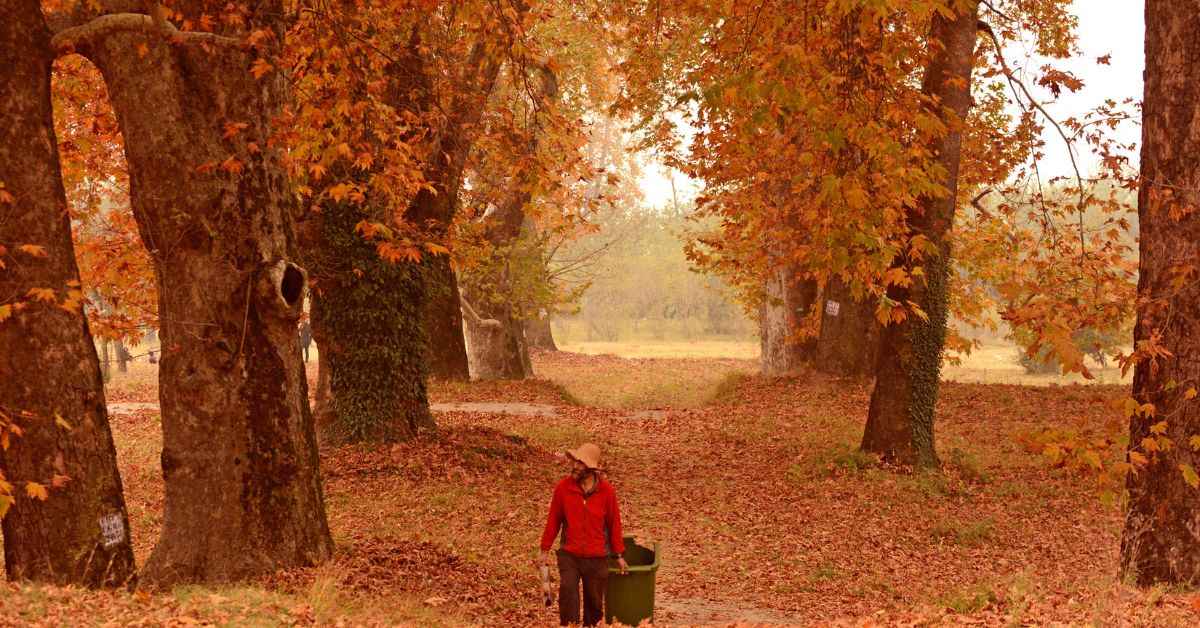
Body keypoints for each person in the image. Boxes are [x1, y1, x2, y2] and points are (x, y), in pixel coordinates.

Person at [539, 443, 628, 627]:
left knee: (594, 607)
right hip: (570, 555)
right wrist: (544, 549)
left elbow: (614, 525)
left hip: (597, 558)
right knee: (568, 595)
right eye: (575, 461)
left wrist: (618, 555)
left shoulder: (607, 492)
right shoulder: (563, 488)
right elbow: (553, 520)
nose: (575, 466)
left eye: (581, 463)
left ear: (591, 468)